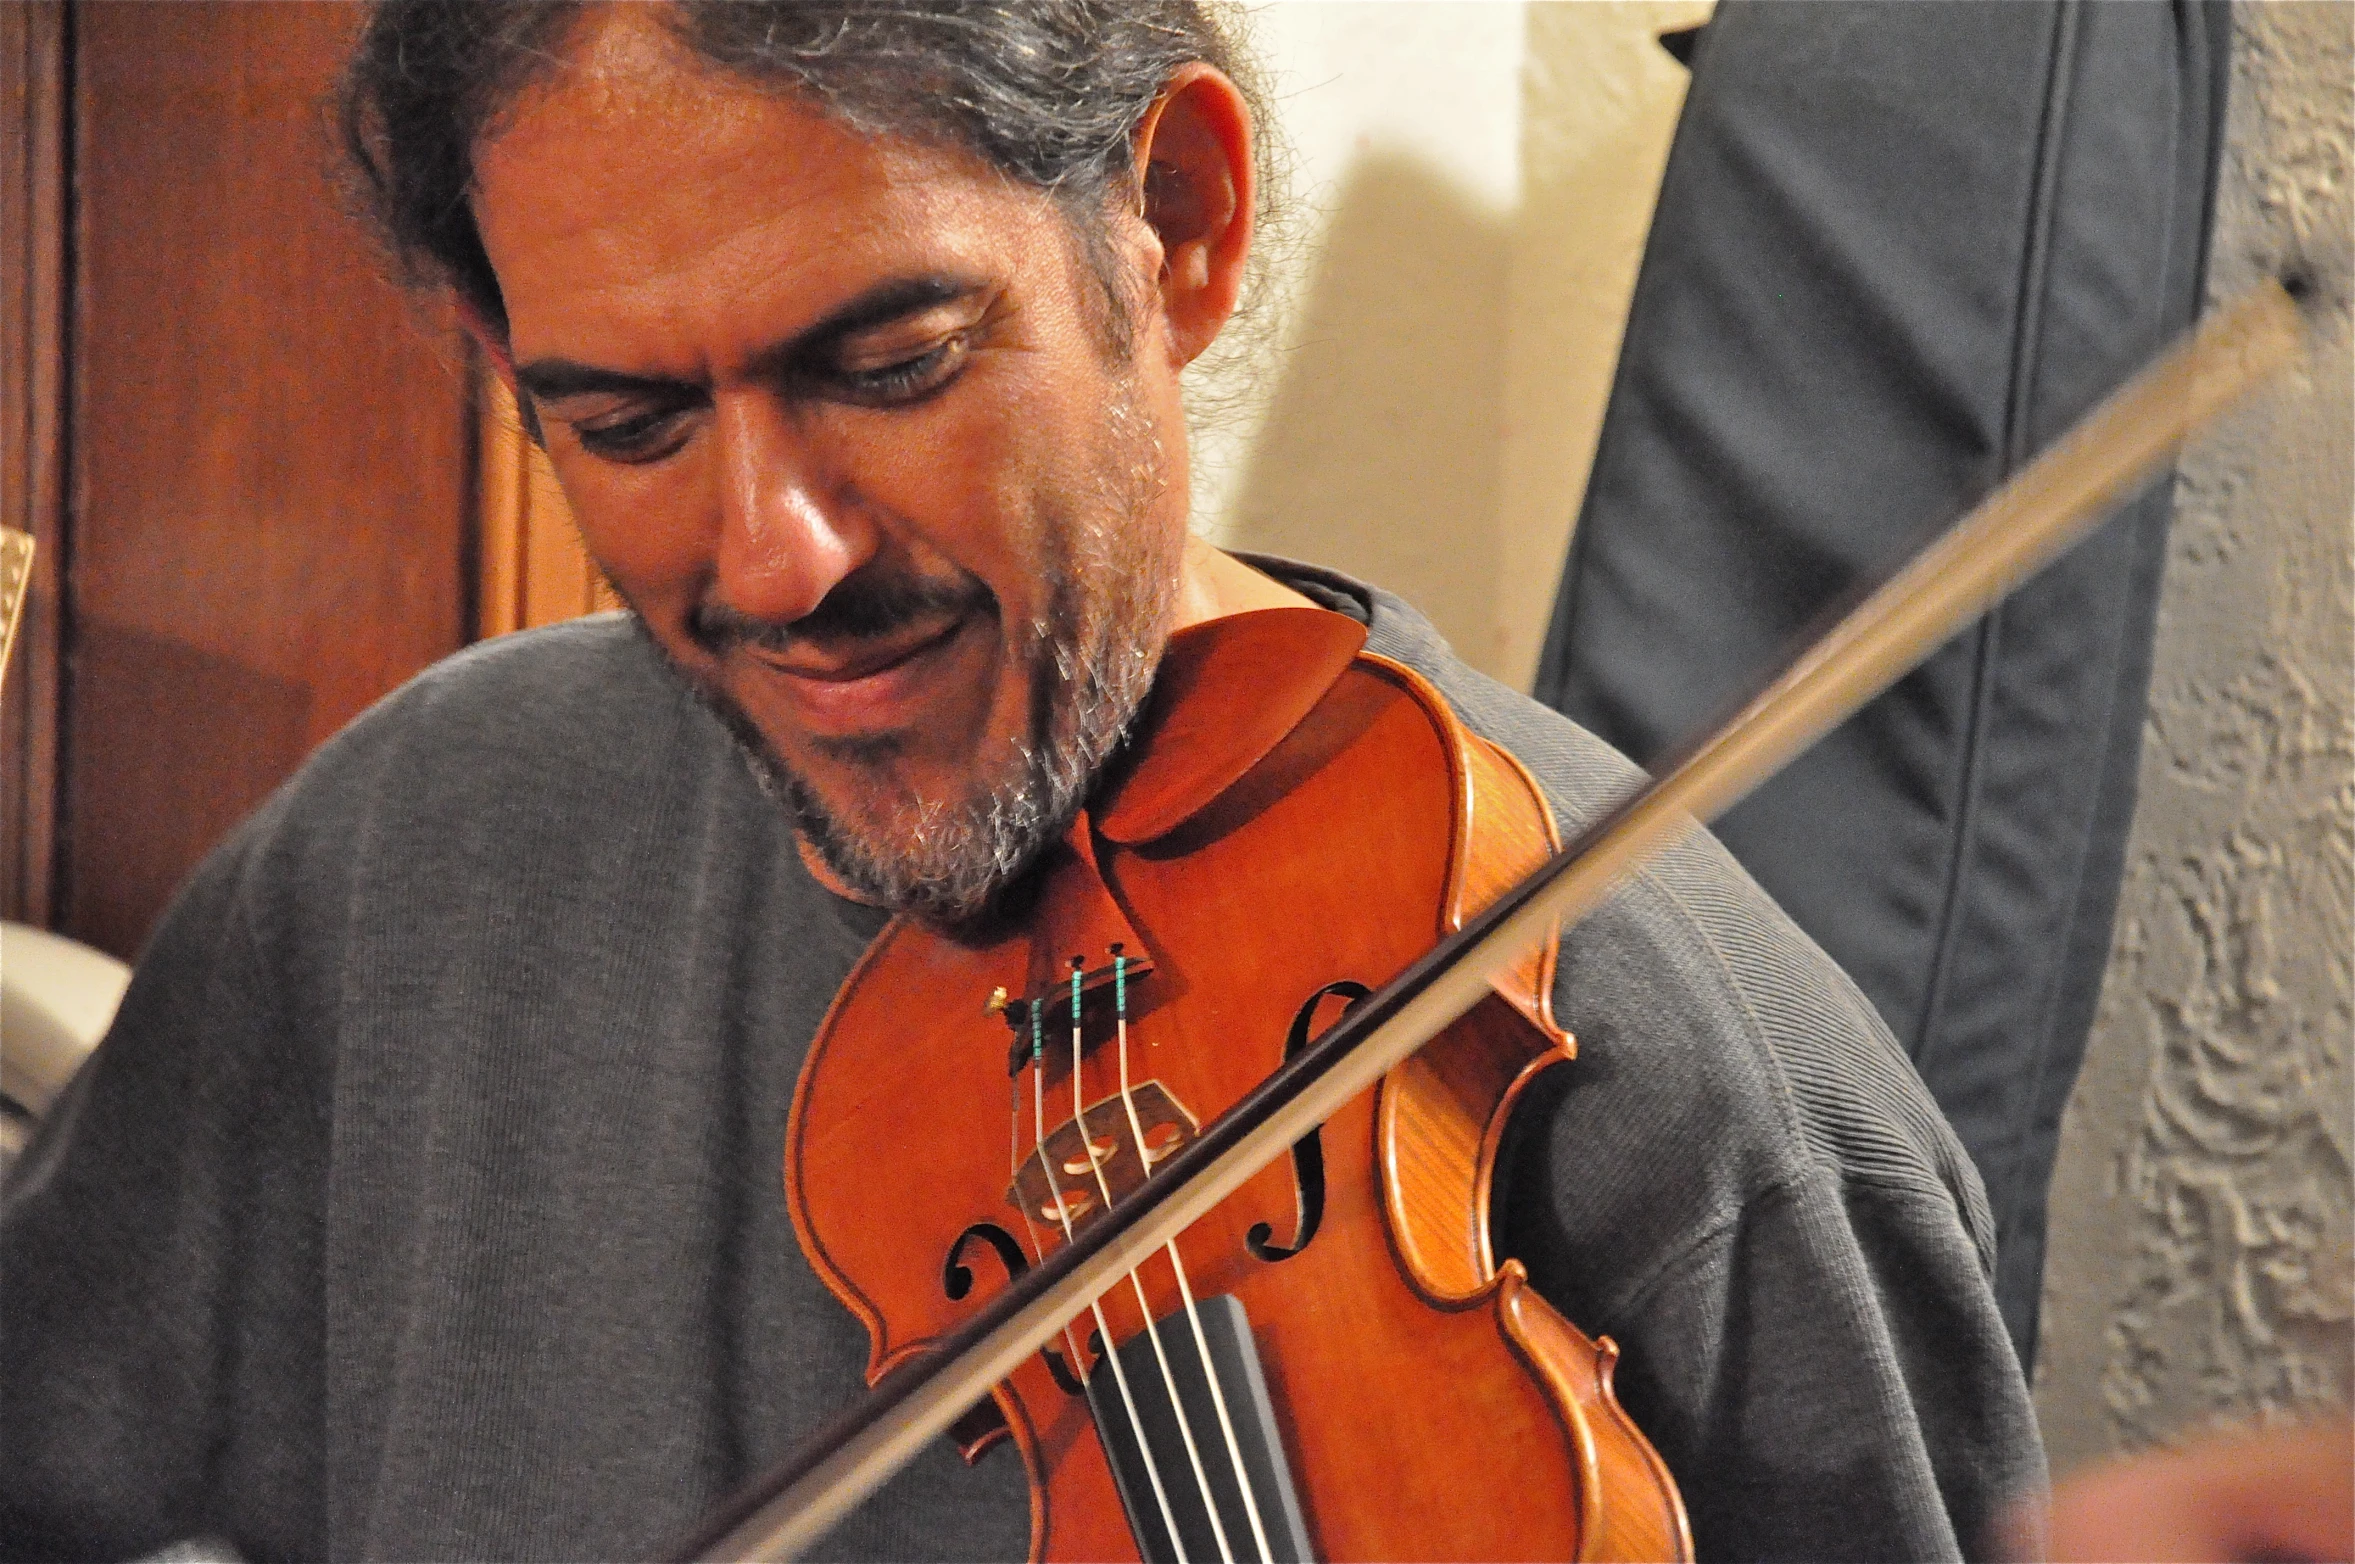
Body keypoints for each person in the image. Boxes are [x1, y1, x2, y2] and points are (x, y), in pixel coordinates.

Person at [0, 4, 2044, 1559]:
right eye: (625, 419)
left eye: (887, 364)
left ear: (1178, 224)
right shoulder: (411, 853)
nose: (777, 554)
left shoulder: (1680, 1067)